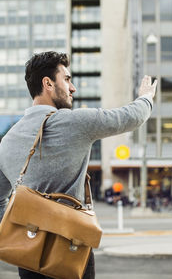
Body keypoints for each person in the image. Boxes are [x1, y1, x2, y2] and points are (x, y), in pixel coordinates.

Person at [0, 51, 157, 279]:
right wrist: (146, 97)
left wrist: (19, 230)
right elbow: (129, 117)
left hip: (27, 255)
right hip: (70, 250)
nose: (73, 88)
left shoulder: (7, 141)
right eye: (67, 79)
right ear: (48, 84)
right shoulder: (74, 122)